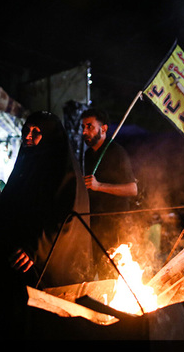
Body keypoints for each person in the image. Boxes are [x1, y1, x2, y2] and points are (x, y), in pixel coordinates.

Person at [0, 110, 92, 341]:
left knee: (42, 331)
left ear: (49, 136)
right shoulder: (27, 165)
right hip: (15, 265)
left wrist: (34, 248)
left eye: (36, 132)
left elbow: (67, 217)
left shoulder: (64, 173)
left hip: (46, 268)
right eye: (26, 131)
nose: (28, 136)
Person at [80, 108, 138, 272]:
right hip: (95, 223)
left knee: (113, 273)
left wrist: (99, 186)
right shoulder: (88, 155)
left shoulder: (117, 152)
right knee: (96, 270)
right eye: (83, 127)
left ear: (103, 129)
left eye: (89, 127)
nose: (85, 131)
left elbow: (133, 189)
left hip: (116, 224)